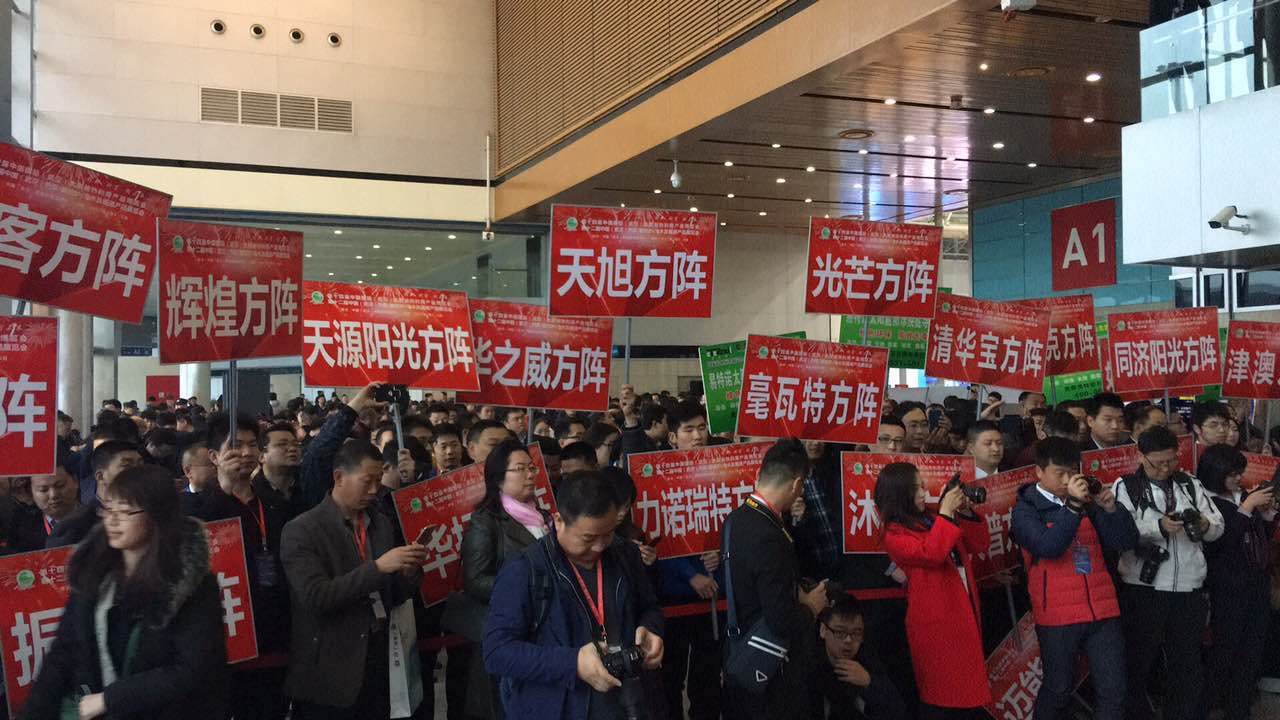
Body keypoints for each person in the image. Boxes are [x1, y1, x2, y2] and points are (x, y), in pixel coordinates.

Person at [21, 465, 229, 720]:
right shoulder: (94, 573)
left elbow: (191, 670)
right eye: (109, 508)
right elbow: (63, 652)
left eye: (126, 510)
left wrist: (110, 699)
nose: (113, 519)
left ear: (157, 514)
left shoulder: (191, 584)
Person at [484, 470, 665, 720]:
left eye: (608, 533)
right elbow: (497, 652)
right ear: (559, 521)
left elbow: (650, 607)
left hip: (626, 703)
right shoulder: (525, 570)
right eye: (588, 538)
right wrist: (573, 663)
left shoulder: (625, 554)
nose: (599, 546)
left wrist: (651, 628)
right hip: (558, 707)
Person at [281, 439, 428, 720]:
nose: (374, 490)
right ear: (339, 477)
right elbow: (316, 596)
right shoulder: (302, 529)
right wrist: (378, 567)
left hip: (378, 657)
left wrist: (407, 574)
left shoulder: (380, 523)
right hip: (330, 667)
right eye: (366, 481)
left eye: (378, 481)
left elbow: (390, 594)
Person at [1010, 437, 1137, 720]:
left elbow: (1125, 541)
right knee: (1058, 688)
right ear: (1039, 472)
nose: (1068, 480)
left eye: (1072, 472)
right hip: (1058, 614)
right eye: (1060, 474)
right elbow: (1048, 547)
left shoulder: (1088, 501)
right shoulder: (1026, 509)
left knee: (1114, 688)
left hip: (1102, 608)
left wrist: (1111, 509)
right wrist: (1073, 508)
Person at [1112, 426, 1225, 720]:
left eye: (1171, 460)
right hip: (1144, 587)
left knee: (1186, 662)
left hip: (1188, 588)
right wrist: (1158, 527)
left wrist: (1204, 526)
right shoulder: (1126, 487)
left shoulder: (1189, 484)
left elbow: (1217, 526)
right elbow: (1121, 531)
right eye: (1158, 463)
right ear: (1140, 456)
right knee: (1139, 661)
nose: (1165, 468)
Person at [721, 438, 830, 719]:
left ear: (761, 473)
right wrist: (811, 606)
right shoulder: (769, 534)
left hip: (741, 647)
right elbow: (780, 619)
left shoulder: (736, 519)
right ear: (796, 484)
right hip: (772, 670)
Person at [875, 462, 991, 718]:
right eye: (917, 488)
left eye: (922, 486)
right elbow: (932, 553)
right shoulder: (893, 532)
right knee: (942, 695)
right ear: (900, 493)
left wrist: (965, 511)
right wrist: (946, 513)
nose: (924, 492)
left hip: (962, 609)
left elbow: (980, 543)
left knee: (969, 694)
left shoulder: (932, 516)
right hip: (935, 622)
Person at [195, 416, 293, 720]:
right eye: (236, 446)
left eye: (253, 445)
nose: (247, 452)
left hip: (273, 632)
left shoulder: (274, 503)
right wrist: (225, 488)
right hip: (224, 633)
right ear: (214, 457)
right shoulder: (199, 507)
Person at [457, 440, 552, 719]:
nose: (530, 475)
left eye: (532, 468)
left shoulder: (543, 516)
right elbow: (475, 580)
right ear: (498, 478)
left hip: (543, 626)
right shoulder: (486, 521)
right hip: (507, 629)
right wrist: (527, 589)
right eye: (520, 469)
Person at [1197, 444, 1277, 720]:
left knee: (1252, 650)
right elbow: (1222, 543)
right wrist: (1246, 508)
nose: (1238, 479)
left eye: (1239, 473)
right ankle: (1206, 706)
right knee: (1224, 651)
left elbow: (1259, 537)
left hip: (1256, 581)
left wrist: (1267, 515)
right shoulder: (1205, 500)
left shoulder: (1243, 495)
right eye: (1232, 474)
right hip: (1227, 586)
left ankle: (1239, 709)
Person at [657, 402, 723, 720]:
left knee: (708, 673)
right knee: (671, 674)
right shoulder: (657, 474)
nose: (697, 436)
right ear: (672, 437)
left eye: (701, 428)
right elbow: (656, 535)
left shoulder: (722, 470)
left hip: (715, 591)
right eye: (688, 430)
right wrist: (689, 574)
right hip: (674, 594)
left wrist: (721, 553)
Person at [808, 598, 906, 720]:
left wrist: (868, 682)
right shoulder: (808, 665)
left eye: (856, 633)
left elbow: (898, 711)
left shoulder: (868, 662)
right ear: (823, 630)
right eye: (840, 632)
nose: (848, 640)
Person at [256, 421, 305, 520]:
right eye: (282, 444)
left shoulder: (308, 485)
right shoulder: (253, 494)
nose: (292, 449)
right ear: (261, 456)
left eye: (296, 444)